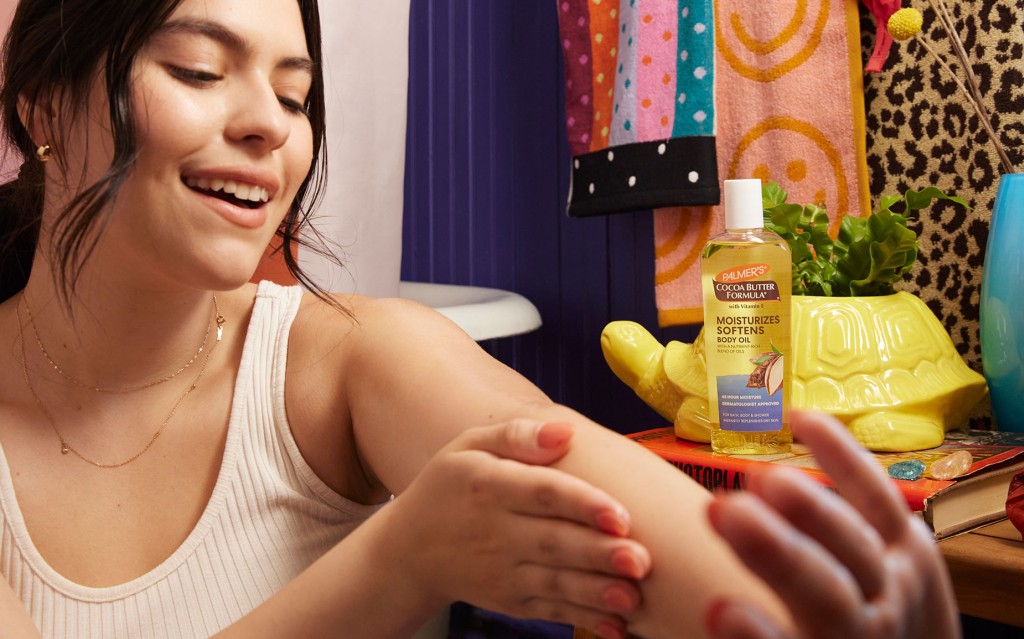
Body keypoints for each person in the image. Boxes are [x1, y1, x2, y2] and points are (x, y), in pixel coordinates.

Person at [0, 1, 961, 638]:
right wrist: (399, 563)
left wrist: (820, 616)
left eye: (295, 93)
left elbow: (669, 548)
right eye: (201, 71)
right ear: (43, 99)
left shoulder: (350, 360)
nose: (272, 125)